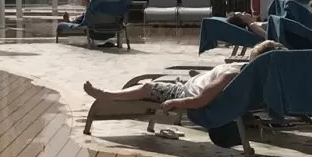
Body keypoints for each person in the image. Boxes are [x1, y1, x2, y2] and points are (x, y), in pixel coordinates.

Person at [83, 40, 281, 110]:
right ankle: (196, 77)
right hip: (195, 84)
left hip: (184, 93)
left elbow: (201, 100)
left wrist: (174, 102)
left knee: (148, 87)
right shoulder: (267, 78)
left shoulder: (231, 75)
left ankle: (107, 95)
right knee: (159, 82)